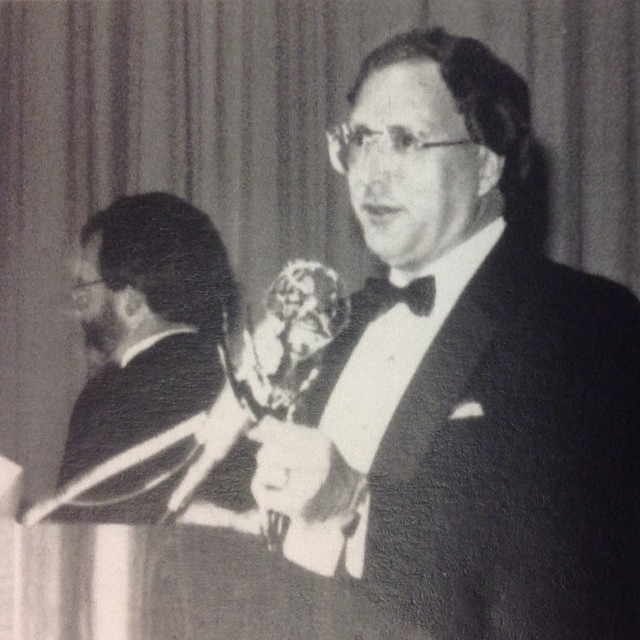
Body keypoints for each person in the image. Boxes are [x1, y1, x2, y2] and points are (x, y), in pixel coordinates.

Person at [248, 28, 640, 639]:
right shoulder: (334, 328)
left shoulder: (588, 324)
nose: (368, 176)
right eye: (358, 141)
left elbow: (565, 582)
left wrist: (353, 504)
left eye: (404, 141)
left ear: (484, 164)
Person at [55, 192, 252, 522]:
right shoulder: (238, 386)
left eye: (84, 288)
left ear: (131, 301)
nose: (77, 309)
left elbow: (78, 534)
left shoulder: (108, 396)